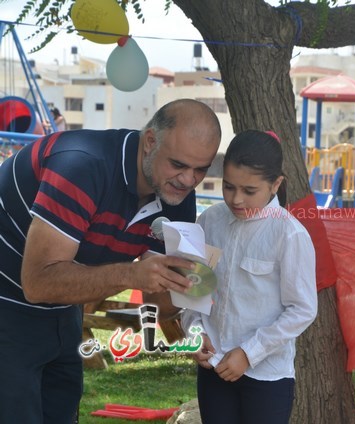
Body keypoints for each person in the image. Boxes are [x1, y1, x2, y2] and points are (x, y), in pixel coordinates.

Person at [0, 98, 222, 423]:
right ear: (150, 142)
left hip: (62, 308)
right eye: (178, 164)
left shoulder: (175, 196)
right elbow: (38, 282)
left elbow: (156, 306)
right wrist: (131, 275)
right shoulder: (82, 166)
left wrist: (189, 285)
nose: (189, 180)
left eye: (200, 169)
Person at [180, 130, 318, 424]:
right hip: (213, 367)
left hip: (266, 376)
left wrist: (249, 353)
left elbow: (302, 309)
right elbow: (193, 291)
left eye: (249, 191)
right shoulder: (209, 221)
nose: (236, 199)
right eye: (228, 187)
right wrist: (195, 333)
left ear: (275, 184)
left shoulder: (289, 234)